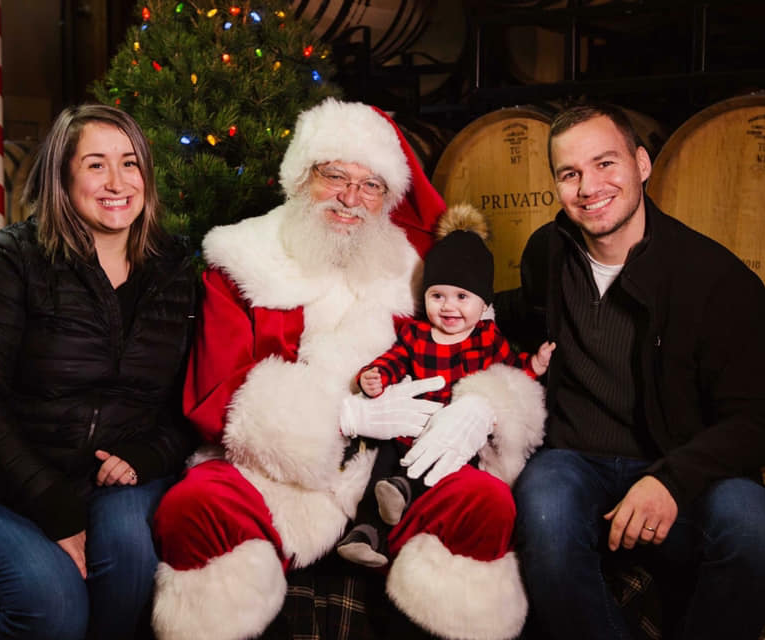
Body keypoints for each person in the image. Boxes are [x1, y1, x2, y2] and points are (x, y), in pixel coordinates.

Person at [150, 98, 547, 640]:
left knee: (485, 501)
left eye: (371, 185)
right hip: (273, 475)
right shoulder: (242, 260)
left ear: (388, 198)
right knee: (192, 505)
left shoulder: (415, 272)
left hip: (398, 473)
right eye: (334, 175)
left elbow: (484, 343)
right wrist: (343, 414)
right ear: (299, 176)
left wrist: (482, 406)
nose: (350, 198)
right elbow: (215, 393)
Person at [499, 102, 765, 639]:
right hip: (574, 460)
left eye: (605, 164)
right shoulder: (548, 252)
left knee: (755, 529)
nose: (588, 187)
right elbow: (511, 314)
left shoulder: (718, 281)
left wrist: (671, 480)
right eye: (570, 174)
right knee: (543, 510)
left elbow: (757, 422)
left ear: (642, 164)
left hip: (681, 462)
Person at [0, 104, 197, 640]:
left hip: (112, 480)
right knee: (54, 608)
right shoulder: (11, 261)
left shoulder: (177, 271)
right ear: (63, 176)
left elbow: (192, 401)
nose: (117, 182)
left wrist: (148, 456)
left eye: (130, 163)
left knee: (127, 553)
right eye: (96, 165)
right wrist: (54, 507)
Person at [337, 204, 555, 567]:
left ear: (483, 302)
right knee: (383, 466)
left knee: (443, 466)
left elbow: (511, 377)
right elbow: (393, 360)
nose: (449, 307)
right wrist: (373, 377)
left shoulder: (487, 339)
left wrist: (534, 364)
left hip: (452, 437)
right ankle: (366, 532)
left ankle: (404, 493)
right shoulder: (416, 334)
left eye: (461, 297)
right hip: (406, 427)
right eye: (437, 296)